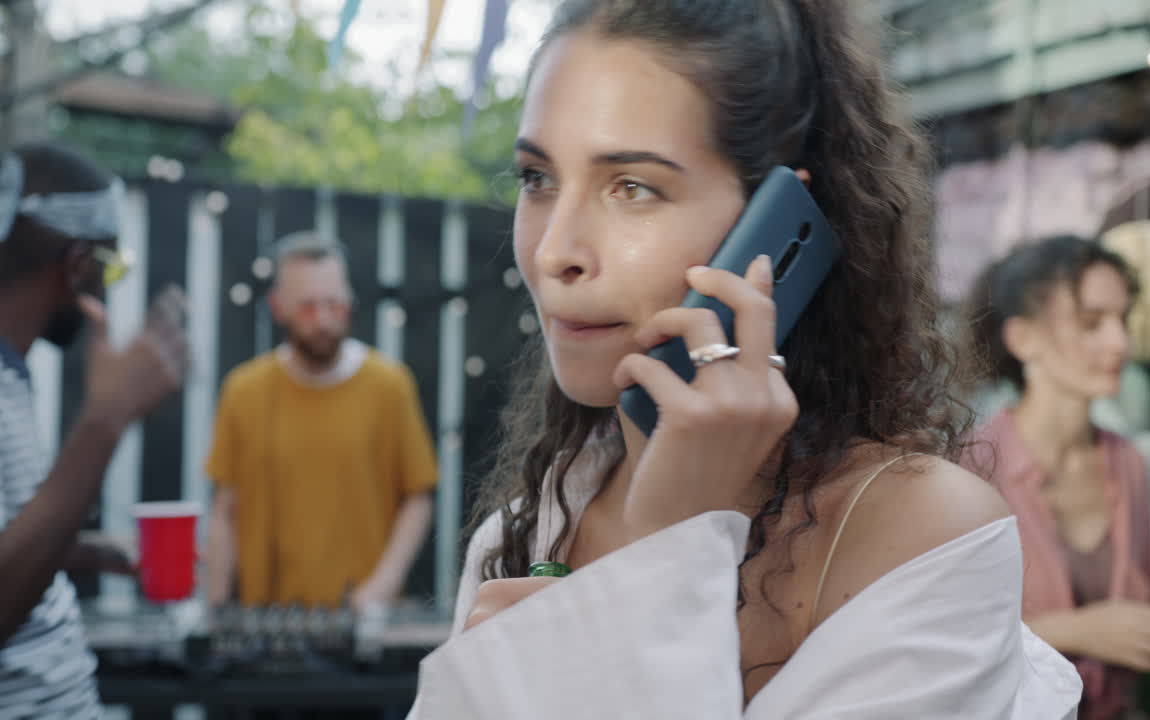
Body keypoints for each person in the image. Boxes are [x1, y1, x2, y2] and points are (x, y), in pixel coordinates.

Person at [407, 1, 1083, 718]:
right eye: (537, 178)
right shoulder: (524, 531)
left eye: (632, 186)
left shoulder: (923, 533)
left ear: (778, 227)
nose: (552, 252)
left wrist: (665, 553)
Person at [0, 142, 190, 717]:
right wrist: (103, 423)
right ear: (78, 263)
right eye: (115, 266)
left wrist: (84, 551)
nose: (112, 286)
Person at [959, 235, 1150, 720]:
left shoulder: (1129, 464)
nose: (1120, 343)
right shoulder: (970, 470)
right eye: (1091, 323)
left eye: (1123, 320)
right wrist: (1082, 631)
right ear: (1023, 338)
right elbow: (945, 640)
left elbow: (1135, 615)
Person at [203, 232, 437, 612]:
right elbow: (223, 510)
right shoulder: (243, 391)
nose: (325, 320)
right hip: (265, 619)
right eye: (308, 308)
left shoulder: (389, 386)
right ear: (278, 308)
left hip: (362, 618)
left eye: (335, 305)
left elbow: (418, 498)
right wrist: (215, 603)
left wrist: (382, 586)